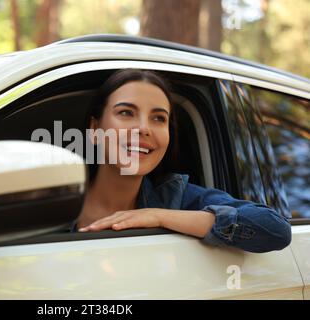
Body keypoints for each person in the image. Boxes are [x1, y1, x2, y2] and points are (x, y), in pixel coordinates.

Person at [72, 68, 291, 253]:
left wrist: (158, 216)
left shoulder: (176, 196)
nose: (144, 128)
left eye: (158, 118)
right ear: (94, 129)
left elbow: (276, 229)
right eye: (126, 113)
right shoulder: (51, 200)